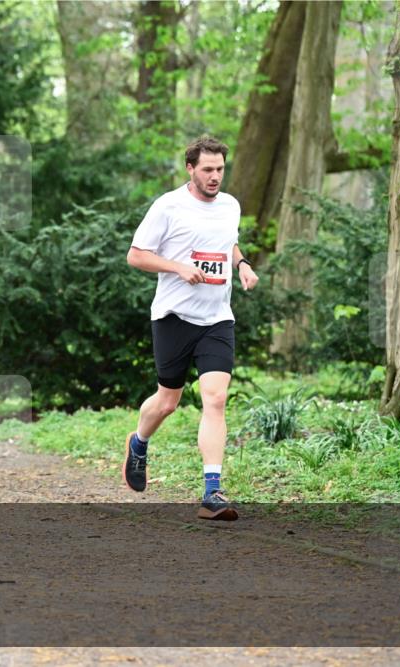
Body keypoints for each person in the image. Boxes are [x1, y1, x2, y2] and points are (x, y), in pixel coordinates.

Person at [124, 136, 259, 521]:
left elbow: (228, 243)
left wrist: (243, 264)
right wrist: (178, 267)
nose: (215, 177)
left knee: (215, 398)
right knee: (168, 401)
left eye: (220, 169)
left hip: (217, 318)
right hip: (173, 317)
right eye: (207, 170)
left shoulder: (230, 205)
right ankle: (139, 442)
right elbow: (136, 255)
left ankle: (212, 491)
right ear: (190, 169)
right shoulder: (168, 206)